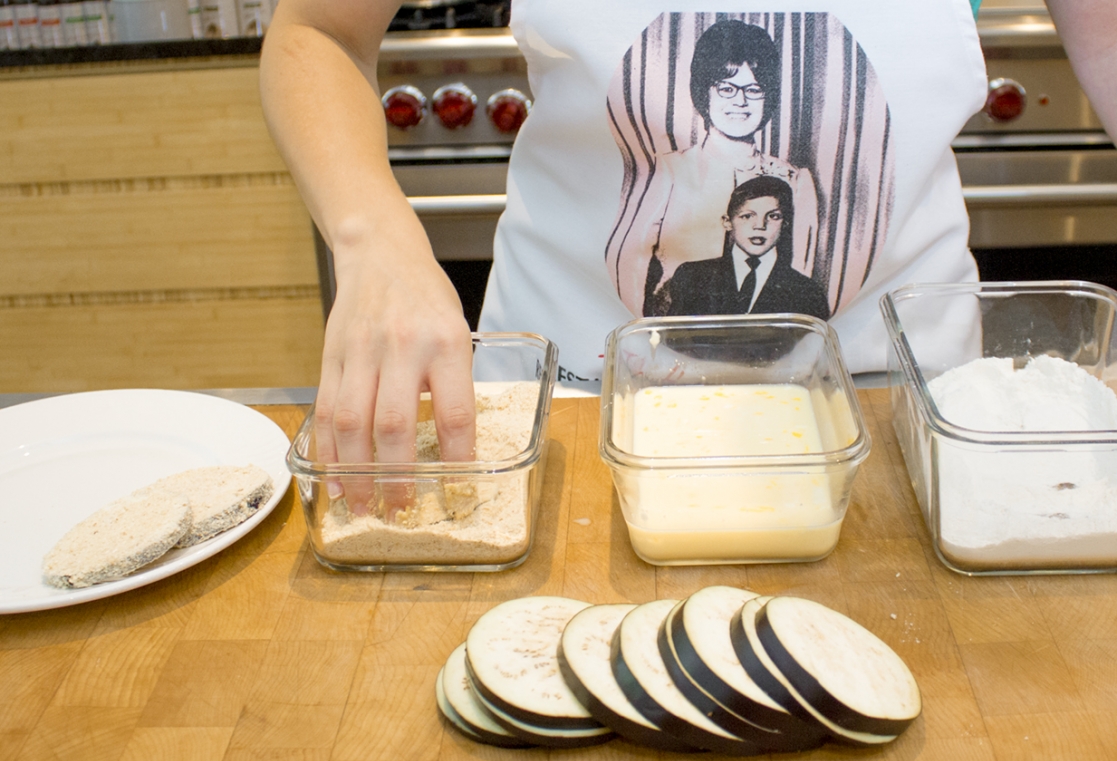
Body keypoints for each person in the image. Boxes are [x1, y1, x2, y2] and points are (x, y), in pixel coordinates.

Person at [259, 0, 1117, 490]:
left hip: (895, 424)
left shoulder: (795, 184)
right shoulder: (672, 174)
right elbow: (318, 31)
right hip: (575, 411)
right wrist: (375, 243)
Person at [610, 19, 819, 318]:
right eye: (726, 88)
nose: (741, 101)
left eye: (755, 89)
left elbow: (798, 286)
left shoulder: (797, 182)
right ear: (704, 91)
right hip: (672, 344)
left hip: (764, 348)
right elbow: (629, 265)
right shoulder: (666, 171)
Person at [664, 175, 830, 320]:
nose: (759, 226)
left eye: (773, 216)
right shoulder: (692, 276)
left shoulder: (807, 292)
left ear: (785, 224)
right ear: (727, 222)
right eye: (747, 216)